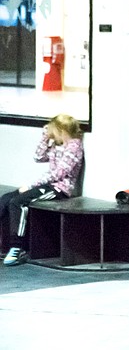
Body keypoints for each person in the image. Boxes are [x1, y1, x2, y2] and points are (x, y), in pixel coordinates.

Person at [2, 114, 84, 266]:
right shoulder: (56, 144)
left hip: (59, 189)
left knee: (17, 202)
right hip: (45, 184)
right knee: (6, 198)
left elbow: (59, 173)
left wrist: (31, 186)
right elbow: (38, 157)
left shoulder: (74, 147)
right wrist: (44, 138)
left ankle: (17, 247)